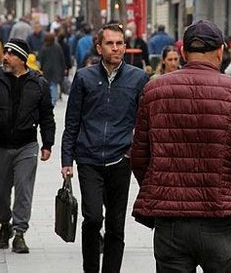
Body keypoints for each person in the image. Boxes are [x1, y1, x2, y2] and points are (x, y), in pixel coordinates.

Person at [132, 20, 231, 272]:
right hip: (221, 217)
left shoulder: (154, 90)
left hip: (171, 222)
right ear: (220, 51)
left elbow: (139, 156)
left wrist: (161, 189)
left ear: (182, 53)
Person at [61, 22, 149, 273]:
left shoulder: (138, 78)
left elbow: (145, 122)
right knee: (92, 219)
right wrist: (67, 160)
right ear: (99, 47)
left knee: (115, 225)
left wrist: (133, 153)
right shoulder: (84, 77)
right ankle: (90, 268)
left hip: (120, 161)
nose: (116, 48)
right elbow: (72, 121)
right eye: (110, 43)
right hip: (88, 159)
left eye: (119, 43)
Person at [0, 38, 55, 254]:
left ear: (22, 59)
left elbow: (47, 116)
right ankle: (4, 224)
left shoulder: (38, 83)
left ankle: (19, 233)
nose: (5, 57)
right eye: (5, 52)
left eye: (11, 53)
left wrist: (48, 143)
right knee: (1, 192)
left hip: (26, 145)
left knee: (24, 190)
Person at [38, 32, 66, 105]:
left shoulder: (44, 48)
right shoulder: (58, 46)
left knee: (48, 84)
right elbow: (62, 58)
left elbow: (41, 59)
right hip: (57, 68)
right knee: (54, 85)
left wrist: (40, 68)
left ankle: (50, 99)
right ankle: (53, 100)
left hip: (46, 68)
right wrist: (64, 67)